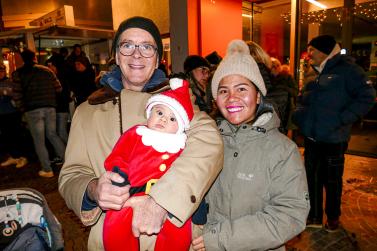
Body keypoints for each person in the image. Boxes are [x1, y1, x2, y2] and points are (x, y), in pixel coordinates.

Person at [58, 16, 223, 251]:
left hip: (172, 234)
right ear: (116, 54)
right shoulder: (87, 112)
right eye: (127, 45)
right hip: (111, 238)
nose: (137, 54)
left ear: (157, 59)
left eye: (147, 47)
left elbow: (209, 144)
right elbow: (71, 174)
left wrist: (162, 202)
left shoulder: (179, 105)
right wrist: (93, 189)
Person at [192, 40, 309, 251]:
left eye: (242, 88)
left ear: (258, 96)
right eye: (223, 91)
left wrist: (221, 239)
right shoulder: (206, 141)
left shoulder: (283, 151)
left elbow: (291, 214)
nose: (232, 98)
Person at [292, 35, 376, 231]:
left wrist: (342, 119)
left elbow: (368, 97)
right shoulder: (314, 72)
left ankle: (333, 218)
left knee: (332, 180)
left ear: (324, 51)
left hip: (334, 138)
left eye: (312, 49)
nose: (309, 54)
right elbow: (303, 99)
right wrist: (299, 116)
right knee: (311, 178)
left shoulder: (349, 70)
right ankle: (313, 217)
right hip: (312, 137)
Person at [103, 78, 198, 251]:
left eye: (172, 119)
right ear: (150, 112)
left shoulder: (183, 143)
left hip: (170, 198)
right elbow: (119, 155)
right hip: (133, 193)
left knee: (179, 228)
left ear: (181, 126)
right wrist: (120, 175)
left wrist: (199, 205)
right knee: (116, 222)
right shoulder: (136, 133)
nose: (163, 120)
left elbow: (192, 170)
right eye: (159, 113)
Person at [12, 49, 66, 178]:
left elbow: (17, 94)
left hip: (32, 109)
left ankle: (47, 169)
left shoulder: (18, 73)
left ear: (23, 59)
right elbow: (59, 88)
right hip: (50, 107)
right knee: (53, 135)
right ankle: (68, 163)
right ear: (34, 58)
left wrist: (21, 110)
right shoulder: (46, 70)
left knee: (39, 140)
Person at [0, 63, 28, 168]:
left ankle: (22, 157)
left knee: (16, 135)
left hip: (12, 113)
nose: (0, 73)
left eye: (2, 70)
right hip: (2, 114)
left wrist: (6, 92)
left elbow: (16, 94)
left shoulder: (10, 82)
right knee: (7, 136)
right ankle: (13, 157)